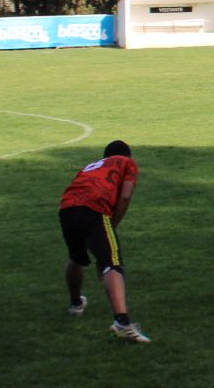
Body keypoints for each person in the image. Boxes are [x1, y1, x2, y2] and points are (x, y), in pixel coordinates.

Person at [58, 139, 150, 343]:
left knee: (77, 256)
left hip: (66, 208)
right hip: (94, 208)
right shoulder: (127, 163)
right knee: (112, 262)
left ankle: (75, 304)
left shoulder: (91, 166)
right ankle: (122, 322)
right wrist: (112, 226)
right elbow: (125, 197)